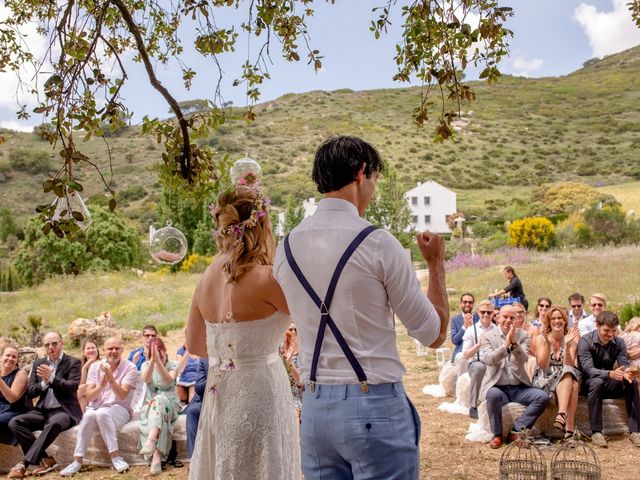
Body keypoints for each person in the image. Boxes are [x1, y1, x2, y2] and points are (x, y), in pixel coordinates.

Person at [273, 136, 448, 479]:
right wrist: (437, 263)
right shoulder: (378, 244)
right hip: (374, 409)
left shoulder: (286, 248)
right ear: (361, 173)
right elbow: (434, 334)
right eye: (375, 180)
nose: (374, 190)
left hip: (315, 412)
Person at [186, 172, 301, 480]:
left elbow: (195, 345)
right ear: (261, 225)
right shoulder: (268, 278)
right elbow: (314, 323)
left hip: (217, 395)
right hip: (261, 393)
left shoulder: (207, 276)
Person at [60, 337, 138, 476]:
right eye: (110, 348)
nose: (113, 351)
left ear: (122, 349)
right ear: (104, 350)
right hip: (96, 409)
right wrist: (102, 385)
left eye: (116, 348)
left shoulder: (130, 367)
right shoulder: (95, 367)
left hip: (120, 409)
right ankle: (77, 460)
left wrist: (111, 380)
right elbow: (89, 397)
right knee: (90, 414)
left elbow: (121, 396)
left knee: (102, 413)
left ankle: (116, 457)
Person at [7, 332, 82, 479]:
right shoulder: (38, 363)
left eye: (54, 343)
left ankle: (23, 464)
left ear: (61, 343)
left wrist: (52, 378)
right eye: (47, 344)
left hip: (64, 411)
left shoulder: (73, 362)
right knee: (15, 422)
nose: (51, 347)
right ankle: (46, 459)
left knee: (53, 423)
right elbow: (30, 391)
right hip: (42, 410)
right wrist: (44, 383)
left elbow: (72, 386)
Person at [479, 305, 549, 449]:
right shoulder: (487, 336)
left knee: (542, 397)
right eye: (505, 317)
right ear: (498, 318)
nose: (508, 320)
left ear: (517, 320)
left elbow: (523, 359)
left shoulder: (523, 335)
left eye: (512, 318)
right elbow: (489, 360)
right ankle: (497, 434)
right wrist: (504, 347)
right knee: (492, 395)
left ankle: (516, 430)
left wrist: (514, 344)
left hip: (519, 387)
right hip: (498, 386)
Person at [578, 311, 640, 447]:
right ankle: (596, 432)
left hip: (609, 383)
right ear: (597, 325)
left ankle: (635, 431)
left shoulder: (620, 342)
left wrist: (628, 372)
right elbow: (588, 370)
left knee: (631, 382)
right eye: (606, 330)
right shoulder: (585, 341)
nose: (610, 334)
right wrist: (609, 374)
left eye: (613, 330)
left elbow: (623, 364)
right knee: (597, 381)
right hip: (589, 384)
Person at [138, 337, 184, 475]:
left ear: (164, 351)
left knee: (159, 400)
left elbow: (168, 381)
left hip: (171, 404)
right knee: (158, 406)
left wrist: (159, 363)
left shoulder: (173, 365)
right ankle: (157, 456)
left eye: (160, 352)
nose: (158, 355)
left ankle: (151, 440)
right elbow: (146, 379)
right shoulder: (146, 365)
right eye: (155, 353)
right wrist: (153, 361)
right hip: (151, 406)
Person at [533, 307, 581, 439]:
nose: (557, 321)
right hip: (545, 377)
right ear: (549, 322)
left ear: (565, 321)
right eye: (553, 318)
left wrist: (566, 345)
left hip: (566, 374)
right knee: (574, 385)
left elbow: (569, 364)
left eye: (560, 318)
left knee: (569, 374)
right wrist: (548, 344)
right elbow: (542, 365)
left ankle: (562, 416)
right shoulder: (541, 339)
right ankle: (569, 429)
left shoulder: (571, 338)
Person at [461, 300, 497, 419]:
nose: (486, 315)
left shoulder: (497, 329)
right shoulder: (471, 330)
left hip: (493, 362)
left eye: (489, 312)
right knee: (479, 368)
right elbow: (466, 355)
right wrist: (478, 345)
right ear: (478, 312)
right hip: (476, 362)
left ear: (493, 314)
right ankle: (473, 406)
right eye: (483, 312)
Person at [0, 345, 30, 446]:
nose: (10, 358)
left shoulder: (21, 374)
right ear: (1, 357)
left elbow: (12, 398)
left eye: (14, 357)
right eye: (7, 355)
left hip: (14, 410)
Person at [185, 358, 208, 457]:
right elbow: (198, 388)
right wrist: (214, 376)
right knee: (192, 411)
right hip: (205, 401)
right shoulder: (204, 360)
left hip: (228, 400)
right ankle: (194, 459)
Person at [282, 323, 303, 420]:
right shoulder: (279, 352)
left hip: (298, 396)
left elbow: (299, 381)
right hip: (283, 394)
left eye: (296, 329)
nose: (294, 332)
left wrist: (289, 362)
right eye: (290, 329)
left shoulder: (302, 353)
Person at [450, 293, 479, 364]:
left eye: (470, 302)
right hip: (461, 354)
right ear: (461, 303)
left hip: (477, 355)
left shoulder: (478, 318)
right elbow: (454, 340)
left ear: (473, 304)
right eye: (465, 302)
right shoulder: (455, 320)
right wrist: (464, 327)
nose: (467, 304)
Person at [77, 339, 100, 412]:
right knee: (82, 398)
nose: (91, 350)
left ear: (97, 350)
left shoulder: (102, 363)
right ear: (84, 352)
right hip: (85, 395)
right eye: (88, 348)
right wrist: (84, 367)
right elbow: (81, 384)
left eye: (93, 348)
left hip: (97, 391)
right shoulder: (80, 365)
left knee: (81, 390)